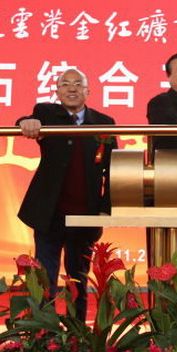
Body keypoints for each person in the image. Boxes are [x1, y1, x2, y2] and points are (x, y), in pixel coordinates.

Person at [17, 68, 117, 321]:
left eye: (78, 84)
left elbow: (113, 170)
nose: (72, 89)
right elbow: (25, 121)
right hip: (49, 214)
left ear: (88, 91)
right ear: (57, 91)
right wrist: (27, 123)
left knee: (78, 280)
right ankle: (44, 332)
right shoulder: (46, 113)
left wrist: (105, 209)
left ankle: (77, 332)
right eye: (65, 84)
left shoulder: (104, 122)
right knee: (45, 278)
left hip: (85, 215)